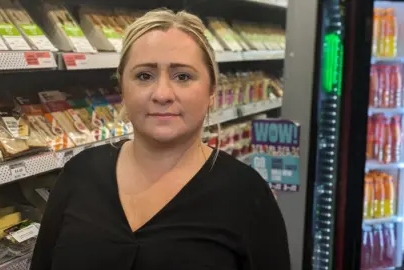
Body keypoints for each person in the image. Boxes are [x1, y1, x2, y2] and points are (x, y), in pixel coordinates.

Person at [30, 8, 290, 270]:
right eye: (144, 76)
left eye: (183, 76)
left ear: (212, 90)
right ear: (122, 87)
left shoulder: (246, 194)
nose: (162, 94)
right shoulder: (80, 173)